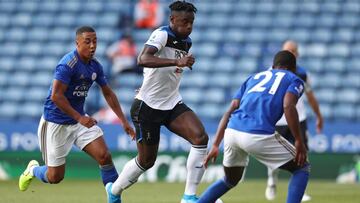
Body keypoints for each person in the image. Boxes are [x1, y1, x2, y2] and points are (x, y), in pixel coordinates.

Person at [105, 2, 209, 203]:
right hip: (147, 107)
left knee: (200, 138)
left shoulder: (187, 41)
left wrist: (182, 62)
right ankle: (114, 191)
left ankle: (189, 197)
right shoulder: (162, 34)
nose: (189, 26)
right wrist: (177, 62)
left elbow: (167, 68)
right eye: (184, 22)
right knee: (146, 161)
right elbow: (143, 58)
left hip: (171, 103)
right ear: (172, 20)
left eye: (192, 22)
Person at [18, 26, 135, 193]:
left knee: (104, 156)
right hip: (55, 123)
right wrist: (80, 118)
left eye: (95, 41)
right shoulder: (67, 64)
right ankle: (32, 170)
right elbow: (56, 96)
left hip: (79, 121)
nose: (92, 46)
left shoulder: (95, 66)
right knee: (55, 177)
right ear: (77, 43)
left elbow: (108, 93)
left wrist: (124, 121)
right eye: (87, 42)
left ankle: (114, 197)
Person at [197, 50, 310, 203]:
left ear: (273, 66)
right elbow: (288, 105)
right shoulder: (294, 79)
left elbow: (230, 109)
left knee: (230, 179)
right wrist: (298, 140)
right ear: (293, 68)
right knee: (301, 167)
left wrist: (216, 144)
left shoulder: (253, 78)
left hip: (232, 131)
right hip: (258, 133)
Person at [265, 40, 323, 202]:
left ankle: (300, 191)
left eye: (293, 51)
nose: (291, 53)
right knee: (272, 155)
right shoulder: (271, 71)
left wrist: (318, 115)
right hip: (278, 119)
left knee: (302, 154)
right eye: (288, 50)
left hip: (299, 118)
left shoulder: (303, 73)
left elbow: (310, 96)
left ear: (297, 54)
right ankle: (271, 180)